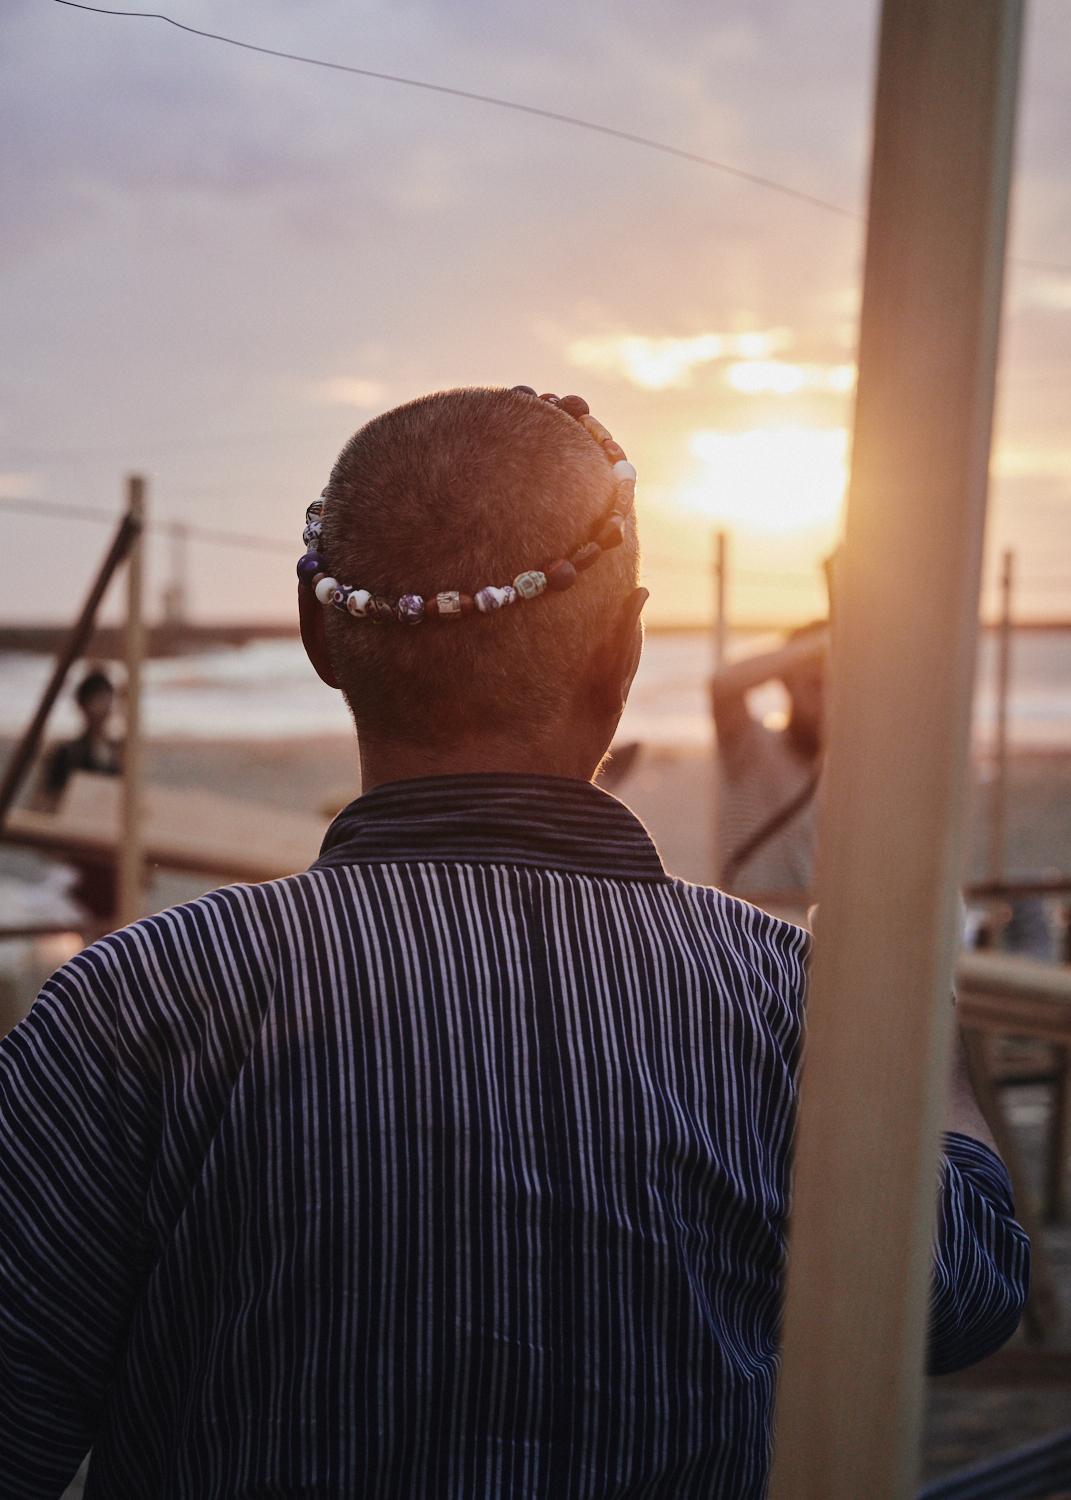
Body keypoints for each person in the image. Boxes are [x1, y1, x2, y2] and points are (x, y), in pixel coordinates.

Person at [0, 388, 1027, 1500]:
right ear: (626, 648)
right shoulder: (781, 999)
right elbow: (961, 1291)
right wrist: (919, 1025)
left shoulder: (134, 1005)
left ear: (316, 637)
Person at [711, 622, 827, 904]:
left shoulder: (854, 765)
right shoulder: (751, 745)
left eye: (836, 684)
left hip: (817, 928)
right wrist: (821, 643)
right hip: (750, 924)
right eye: (814, 684)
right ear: (786, 682)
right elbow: (724, 684)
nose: (825, 698)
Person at [31, 667, 123, 924]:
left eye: (108, 699)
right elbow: (43, 800)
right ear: (83, 705)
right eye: (97, 700)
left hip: (112, 849)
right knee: (85, 917)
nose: (103, 707)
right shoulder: (67, 751)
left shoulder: (120, 751)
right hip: (80, 848)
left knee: (115, 917)